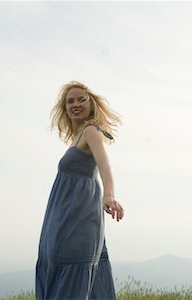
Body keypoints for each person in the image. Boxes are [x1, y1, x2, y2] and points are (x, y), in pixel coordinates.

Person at [35, 80, 125, 300]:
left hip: (78, 218)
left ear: (91, 103)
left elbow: (104, 165)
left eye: (81, 99)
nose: (75, 104)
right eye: (70, 101)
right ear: (65, 108)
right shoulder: (78, 137)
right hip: (62, 217)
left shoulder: (91, 131)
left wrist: (110, 194)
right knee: (57, 261)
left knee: (72, 264)